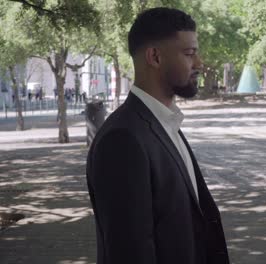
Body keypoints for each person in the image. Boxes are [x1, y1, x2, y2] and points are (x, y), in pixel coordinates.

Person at [86, 7, 230, 264]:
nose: (199, 64)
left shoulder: (164, 122)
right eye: (189, 54)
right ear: (155, 56)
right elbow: (130, 251)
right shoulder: (122, 139)